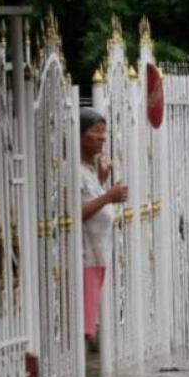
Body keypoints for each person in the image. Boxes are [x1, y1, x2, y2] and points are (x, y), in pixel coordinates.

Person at [79, 107, 127, 345]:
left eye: (103, 133)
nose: (102, 138)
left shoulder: (89, 170)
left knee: (92, 327)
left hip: (97, 257)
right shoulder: (74, 170)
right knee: (84, 331)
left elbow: (90, 202)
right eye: (96, 132)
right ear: (79, 136)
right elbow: (76, 213)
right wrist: (108, 196)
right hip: (85, 259)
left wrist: (101, 182)